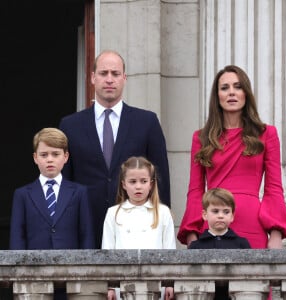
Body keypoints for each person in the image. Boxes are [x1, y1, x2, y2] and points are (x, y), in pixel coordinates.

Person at [59, 50, 170, 248]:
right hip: (86, 228)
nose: (109, 79)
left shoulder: (147, 122)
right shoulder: (70, 126)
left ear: (124, 78)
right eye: (103, 73)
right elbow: (65, 183)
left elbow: (160, 178)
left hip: (136, 231)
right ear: (93, 77)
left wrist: (162, 224)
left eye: (115, 73)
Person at [177, 65, 286, 250]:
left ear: (246, 93)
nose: (231, 92)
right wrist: (192, 233)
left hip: (252, 225)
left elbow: (274, 188)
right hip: (213, 228)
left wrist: (276, 233)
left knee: (255, 279)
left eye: (238, 86)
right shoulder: (201, 137)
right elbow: (195, 190)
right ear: (217, 96)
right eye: (225, 88)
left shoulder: (266, 134)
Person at [9, 128, 95, 299]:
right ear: (35, 158)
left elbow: (87, 235)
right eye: (44, 154)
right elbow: (17, 238)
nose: (49, 159)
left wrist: (87, 275)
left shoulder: (79, 192)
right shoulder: (22, 194)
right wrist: (18, 276)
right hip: (33, 278)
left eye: (55, 154)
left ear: (66, 157)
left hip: (72, 279)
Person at [102, 156, 176, 300]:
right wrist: (110, 286)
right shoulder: (113, 213)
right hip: (122, 286)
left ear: (151, 184)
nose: (138, 186)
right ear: (123, 184)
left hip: (156, 284)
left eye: (143, 181)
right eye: (132, 181)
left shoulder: (162, 212)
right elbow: (107, 250)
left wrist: (169, 283)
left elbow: (170, 249)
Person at [189, 188, 251, 300]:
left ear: (232, 216)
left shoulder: (242, 244)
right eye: (215, 211)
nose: (221, 215)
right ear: (204, 215)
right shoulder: (195, 246)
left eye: (226, 211)